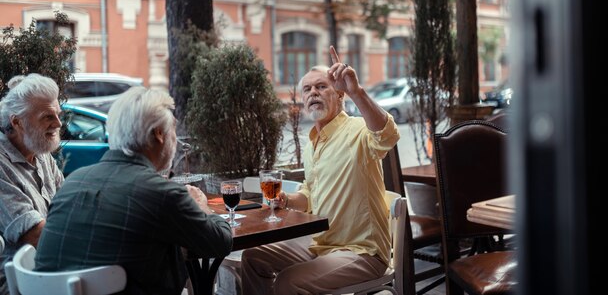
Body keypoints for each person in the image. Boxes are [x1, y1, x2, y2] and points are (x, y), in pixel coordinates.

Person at [35, 86, 233, 295]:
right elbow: (221, 242)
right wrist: (200, 206)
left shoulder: (73, 181)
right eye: (173, 129)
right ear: (158, 134)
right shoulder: (163, 194)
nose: (176, 139)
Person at [241, 46, 400, 294]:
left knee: (288, 281)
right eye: (307, 89)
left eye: (321, 86)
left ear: (339, 95)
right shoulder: (313, 142)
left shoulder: (358, 129)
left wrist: (356, 91)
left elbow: (388, 136)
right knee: (252, 258)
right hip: (321, 245)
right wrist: (286, 200)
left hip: (361, 251)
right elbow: (310, 194)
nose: (313, 92)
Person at [0, 74, 64, 295]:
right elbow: (34, 235)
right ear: (17, 122)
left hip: (50, 268)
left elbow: (67, 203)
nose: (58, 123)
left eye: (58, 114)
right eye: (48, 117)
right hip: (18, 282)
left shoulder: (39, 151)